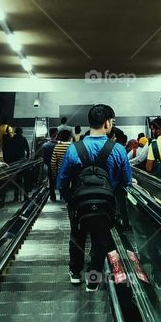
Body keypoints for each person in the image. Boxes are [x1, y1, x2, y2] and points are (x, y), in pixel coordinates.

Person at [57, 104, 132, 291]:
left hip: (78, 204)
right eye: (112, 122)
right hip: (106, 205)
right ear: (107, 123)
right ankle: (93, 280)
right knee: (100, 241)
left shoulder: (74, 149)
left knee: (77, 236)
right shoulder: (118, 149)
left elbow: (61, 182)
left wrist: (71, 201)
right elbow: (127, 180)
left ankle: (75, 272)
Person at [3, 127, 31, 201]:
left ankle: (16, 196)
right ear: (21, 132)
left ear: (15, 132)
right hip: (22, 161)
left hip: (14, 162)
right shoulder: (23, 139)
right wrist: (27, 159)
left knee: (16, 180)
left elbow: (7, 151)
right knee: (26, 179)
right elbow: (28, 150)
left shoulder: (10, 140)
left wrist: (8, 161)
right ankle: (26, 196)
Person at [41, 128, 59, 201]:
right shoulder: (59, 144)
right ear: (56, 134)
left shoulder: (45, 145)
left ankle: (53, 196)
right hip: (59, 167)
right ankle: (62, 197)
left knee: (51, 182)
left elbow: (43, 157)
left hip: (50, 166)